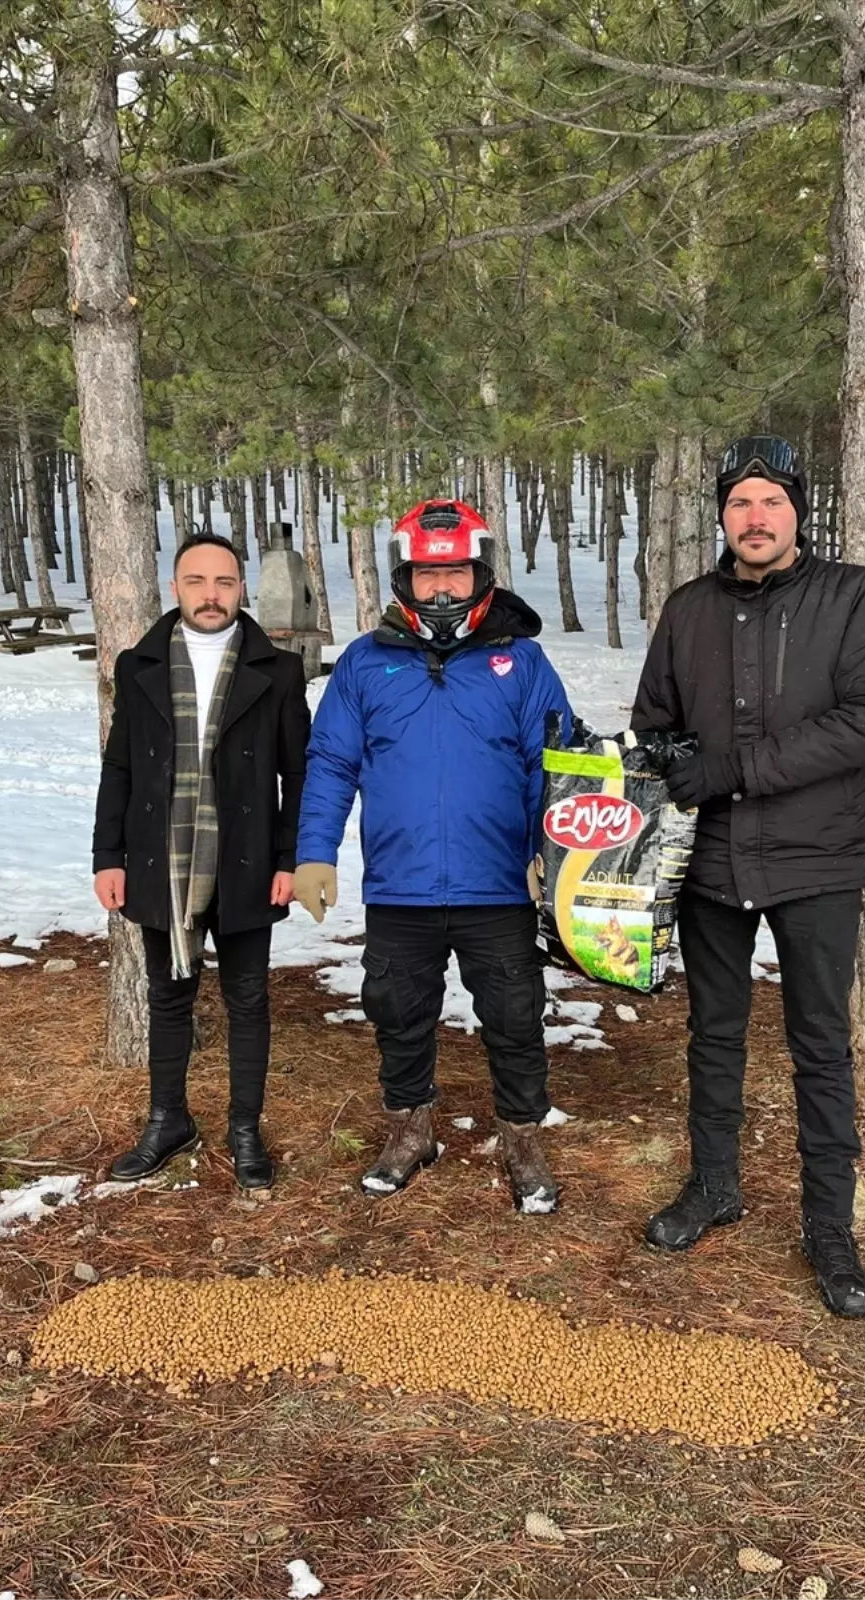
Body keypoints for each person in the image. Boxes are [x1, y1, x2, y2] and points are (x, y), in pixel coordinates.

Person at [630, 435, 865, 1317]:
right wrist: (669, 754)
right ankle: (715, 1184)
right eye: (741, 502)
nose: (756, 518)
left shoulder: (851, 596)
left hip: (816, 860)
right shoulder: (687, 607)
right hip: (711, 861)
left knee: (819, 1044)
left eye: (772, 502)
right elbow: (654, 718)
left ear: (797, 513)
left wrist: (732, 768)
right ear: (721, 514)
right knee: (714, 1035)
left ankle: (829, 1223)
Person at [291, 500, 572, 1212]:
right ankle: (410, 1129)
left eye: (454, 574)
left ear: (479, 574)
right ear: (402, 580)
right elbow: (329, 763)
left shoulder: (524, 662)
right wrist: (314, 853)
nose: (441, 590)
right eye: (426, 576)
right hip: (401, 886)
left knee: (514, 1013)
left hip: (499, 885)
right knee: (396, 1009)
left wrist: (553, 850)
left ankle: (521, 1138)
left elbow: (556, 764)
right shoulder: (364, 663)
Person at [92, 533, 310, 1189]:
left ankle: (245, 1127)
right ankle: (167, 1120)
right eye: (196, 582)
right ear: (175, 588)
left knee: (247, 998)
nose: (210, 595)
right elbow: (121, 767)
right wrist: (109, 856)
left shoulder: (277, 669)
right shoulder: (140, 665)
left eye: (223, 582)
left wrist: (288, 860)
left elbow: (298, 775)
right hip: (163, 860)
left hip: (245, 862)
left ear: (241, 589)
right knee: (167, 996)